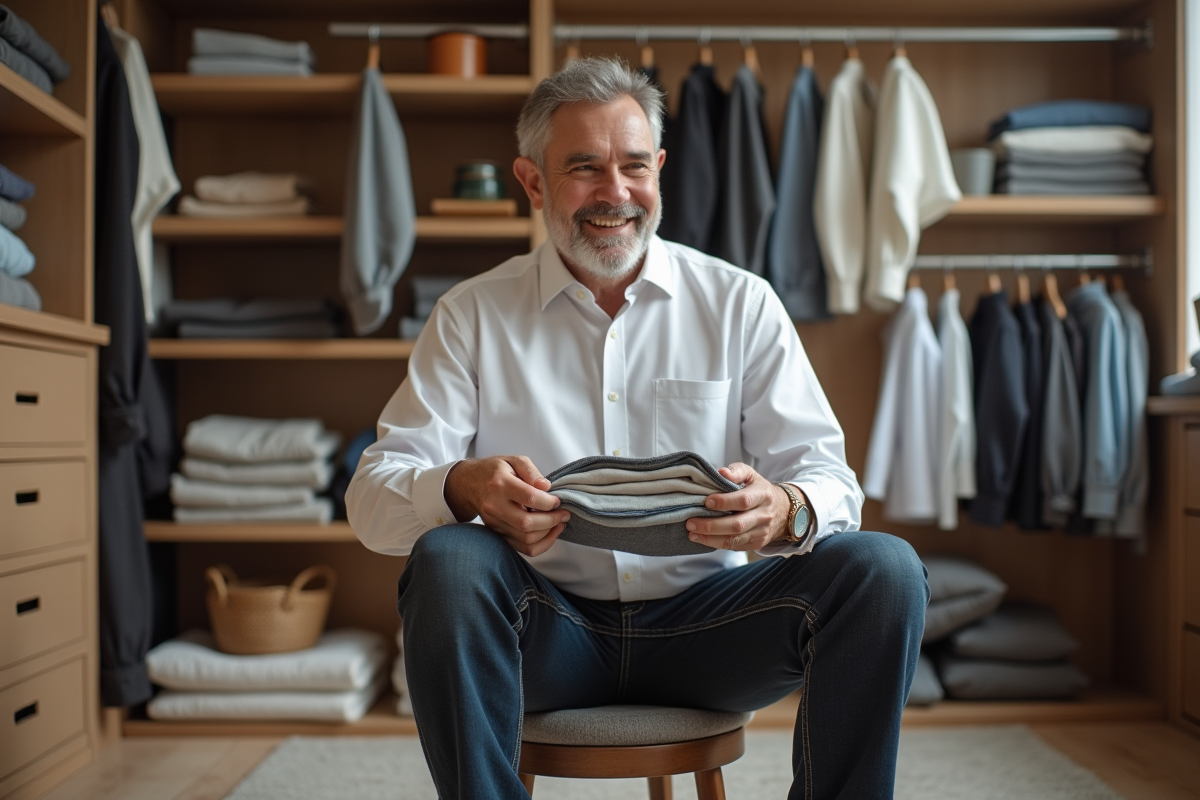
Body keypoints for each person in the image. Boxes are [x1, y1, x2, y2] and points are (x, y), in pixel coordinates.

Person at [347, 56, 927, 800]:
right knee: (449, 559)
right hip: (545, 630)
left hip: (712, 630)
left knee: (885, 570)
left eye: (631, 166)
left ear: (659, 169)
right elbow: (371, 500)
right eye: (584, 167)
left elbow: (831, 482)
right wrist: (462, 486)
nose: (613, 193)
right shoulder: (472, 314)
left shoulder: (740, 303)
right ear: (532, 181)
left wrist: (785, 509)